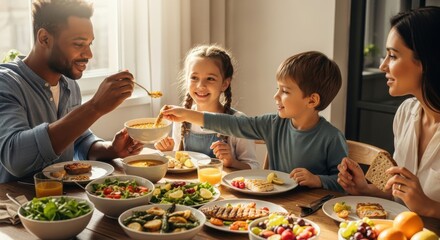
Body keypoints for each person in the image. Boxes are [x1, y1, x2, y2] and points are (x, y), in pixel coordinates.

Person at [161, 51, 348, 192]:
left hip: (314, 210)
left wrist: (318, 180)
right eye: (278, 88)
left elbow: (344, 183)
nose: (276, 96)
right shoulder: (272, 124)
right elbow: (232, 124)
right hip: (279, 205)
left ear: (312, 100)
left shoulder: (331, 137)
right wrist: (186, 114)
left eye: (285, 91)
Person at [0, 0, 144, 183]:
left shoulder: (68, 82)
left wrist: (111, 150)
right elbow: (15, 158)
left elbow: (79, 140)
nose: (89, 54)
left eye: (90, 44)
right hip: (17, 204)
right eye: (79, 44)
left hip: (67, 202)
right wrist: (95, 107)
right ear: (44, 38)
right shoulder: (6, 83)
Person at [337, 6, 440, 218]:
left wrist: (430, 207)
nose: (383, 65)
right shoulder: (405, 113)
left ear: (424, 62)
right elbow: (400, 198)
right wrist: (365, 188)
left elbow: (421, 204)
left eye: (392, 56)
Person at [154, 45, 259, 170]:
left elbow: (254, 168)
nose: (201, 85)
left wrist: (232, 162)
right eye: (194, 78)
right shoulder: (181, 119)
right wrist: (168, 152)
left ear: (225, 84)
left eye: (210, 79)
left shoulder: (239, 122)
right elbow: (180, 162)